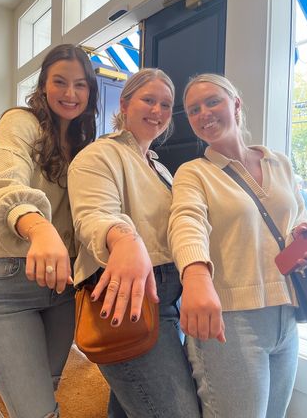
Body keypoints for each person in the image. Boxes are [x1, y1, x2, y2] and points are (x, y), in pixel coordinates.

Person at [168, 73, 307, 418]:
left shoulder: (279, 162)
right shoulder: (194, 173)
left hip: (287, 311)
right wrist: (195, 273)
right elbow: (186, 221)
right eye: (193, 109)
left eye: (212, 101)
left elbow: (297, 215)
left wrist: (301, 234)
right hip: (230, 321)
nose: (204, 113)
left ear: (236, 104)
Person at [0, 44, 98, 418]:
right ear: (43, 85)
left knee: (46, 391)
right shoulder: (21, 122)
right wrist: (39, 227)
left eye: (80, 85)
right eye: (59, 82)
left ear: (90, 92)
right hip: (9, 284)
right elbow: (0, 183)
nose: (70, 93)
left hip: (61, 289)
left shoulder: (83, 146)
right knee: (36, 411)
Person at [68, 68, 201, 418]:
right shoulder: (100, 155)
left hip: (170, 299)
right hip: (127, 300)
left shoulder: (161, 168)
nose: (157, 110)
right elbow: (93, 216)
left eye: (165, 104)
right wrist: (124, 239)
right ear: (125, 104)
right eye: (148, 100)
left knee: (132, 406)